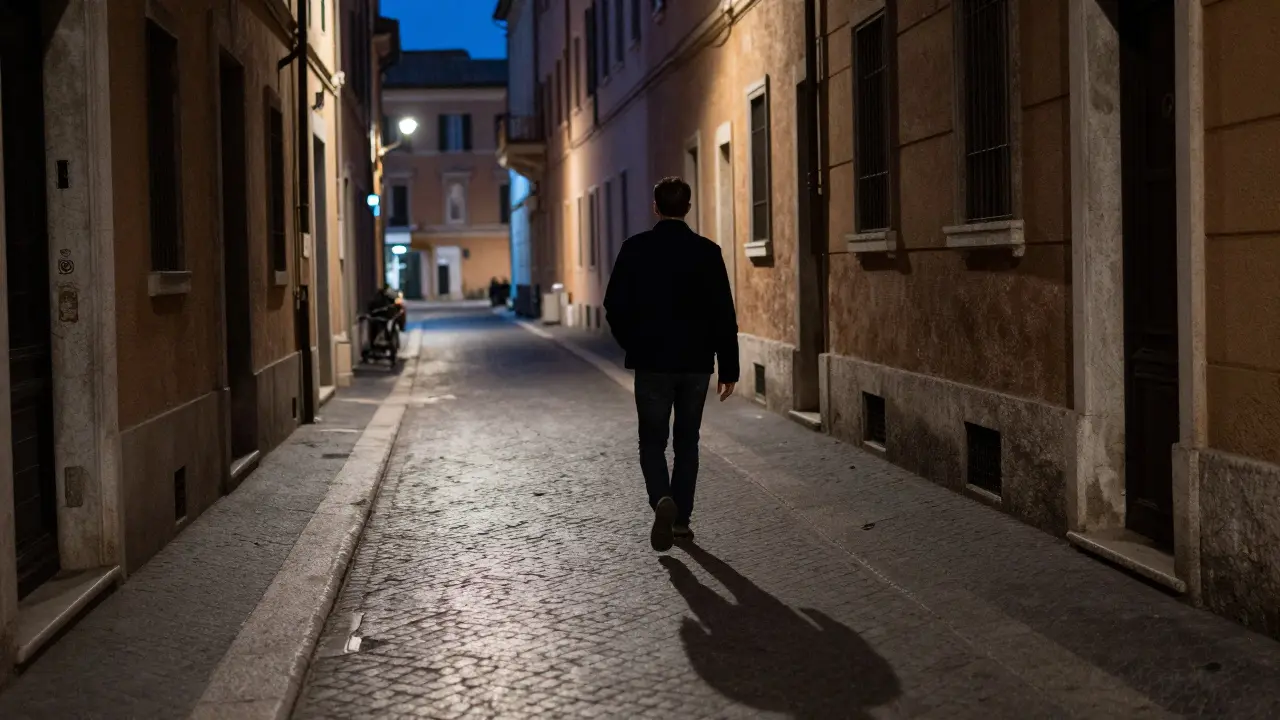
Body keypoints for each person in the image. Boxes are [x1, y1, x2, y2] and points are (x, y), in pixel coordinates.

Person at [604, 176, 739, 552]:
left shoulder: (635, 249)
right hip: (696, 365)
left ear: (655, 207)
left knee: (652, 440)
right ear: (689, 208)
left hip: (652, 363)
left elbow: (613, 305)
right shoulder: (708, 252)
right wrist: (729, 367)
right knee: (687, 442)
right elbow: (723, 314)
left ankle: (661, 498)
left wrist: (633, 343)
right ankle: (681, 523)